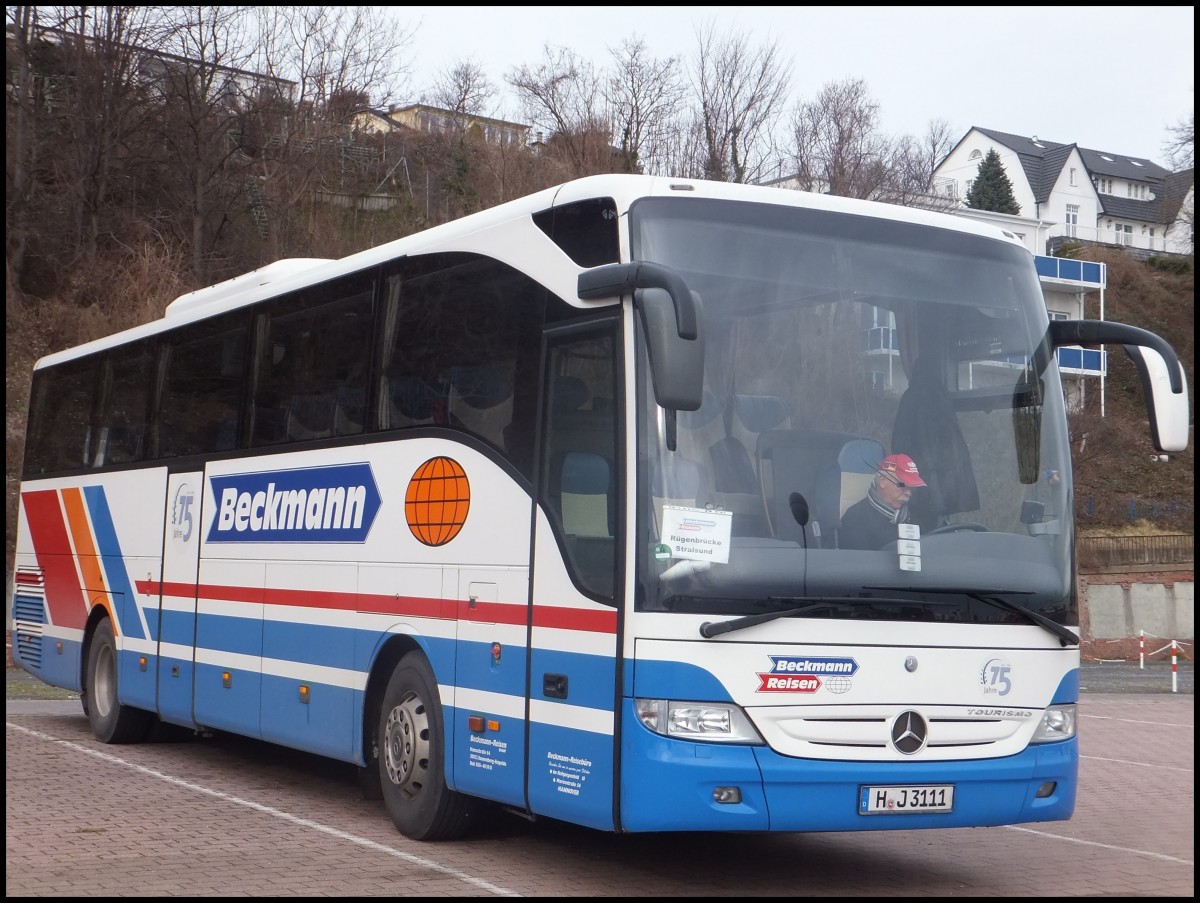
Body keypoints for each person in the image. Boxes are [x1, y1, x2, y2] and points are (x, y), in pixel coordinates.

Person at [839, 453, 927, 550]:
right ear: (883, 482)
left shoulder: (919, 517)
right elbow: (857, 563)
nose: (909, 493)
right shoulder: (854, 519)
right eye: (903, 486)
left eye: (911, 488)